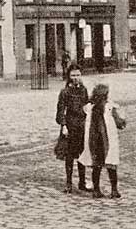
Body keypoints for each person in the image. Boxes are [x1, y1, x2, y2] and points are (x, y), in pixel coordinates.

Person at [79, 84, 126, 199]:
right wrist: (123, 120)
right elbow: (120, 123)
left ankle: (99, 190)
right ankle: (111, 190)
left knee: (99, 166)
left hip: (99, 140)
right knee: (109, 165)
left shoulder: (92, 107)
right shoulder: (104, 107)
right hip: (101, 140)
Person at [56, 63, 90, 194]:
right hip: (70, 126)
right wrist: (63, 126)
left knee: (82, 154)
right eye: (73, 75)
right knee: (69, 156)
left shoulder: (83, 90)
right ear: (69, 77)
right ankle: (69, 183)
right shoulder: (65, 92)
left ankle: (82, 182)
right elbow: (60, 111)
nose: (76, 77)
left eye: (78, 75)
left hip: (81, 125)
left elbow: (87, 105)